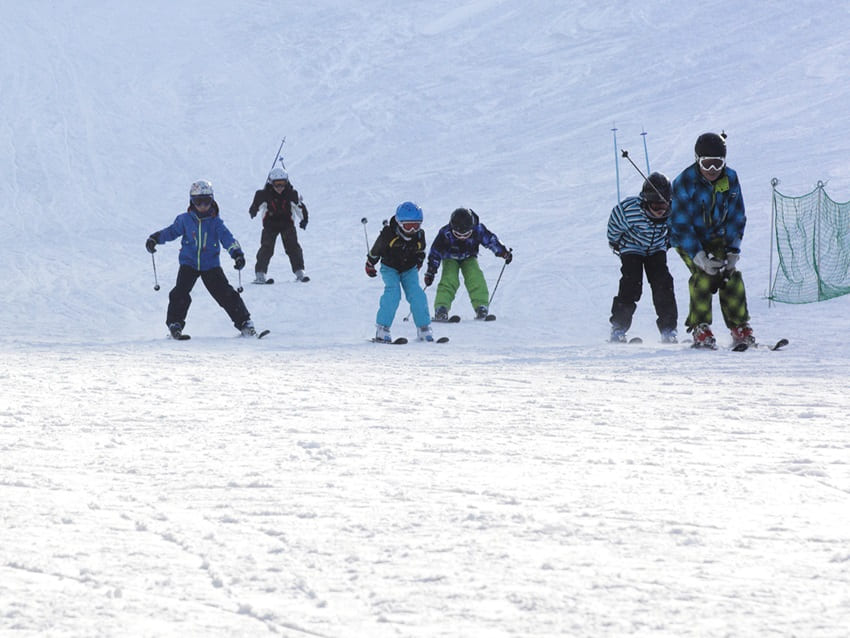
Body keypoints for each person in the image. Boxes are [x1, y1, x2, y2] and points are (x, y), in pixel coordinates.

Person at [669, 132, 754, 348]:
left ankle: (739, 327)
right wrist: (699, 256)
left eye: (718, 164)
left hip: (718, 237)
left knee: (729, 275)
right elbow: (680, 225)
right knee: (704, 275)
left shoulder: (731, 178)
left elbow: (736, 216)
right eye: (707, 164)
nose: (712, 170)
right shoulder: (684, 182)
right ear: (697, 160)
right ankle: (700, 327)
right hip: (689, 239)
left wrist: (733, 251)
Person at [145, 179, 256, 339]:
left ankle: (244, 322)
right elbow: (171, 232)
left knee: (225, 293)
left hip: (210, 265)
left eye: (207, 201)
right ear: (192, 201)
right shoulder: (184, 220)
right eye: (198, 202)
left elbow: (227, 239)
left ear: (212, 201)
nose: (203, 206)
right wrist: (155, 238)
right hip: (188, 263)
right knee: (180, 293)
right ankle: (175, 324)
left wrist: (237, 254)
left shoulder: (216, 222)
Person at [607, 172, 678, 343]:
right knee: (631, 284)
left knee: (663, 284)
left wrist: (667, 243)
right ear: (645, 202)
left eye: (664, 206)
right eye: (655, 207)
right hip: (632, 247)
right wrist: (617, 244)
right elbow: (614, 227)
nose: (661, 212)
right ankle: (618, 328)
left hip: (656, 249)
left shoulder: (674, 211)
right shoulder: (629, 210)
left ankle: (669, 330)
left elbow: (678, 230)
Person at [423, 208, 512, 321]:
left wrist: (503, 252)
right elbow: (435, 253)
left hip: (469, 257)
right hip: (450, 257)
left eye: (466, 234)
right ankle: (441, 308)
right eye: (458, 234)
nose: (462, 237)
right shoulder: (445, 233)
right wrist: (431, 271)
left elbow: (490, 240)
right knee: (449, 279)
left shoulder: (478, 229)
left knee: (475, 277)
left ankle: (481, 307)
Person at [365, 202, 434, 342]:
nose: (413, 230)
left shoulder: (420, 235)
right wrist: (370, 263)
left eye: (417, 225)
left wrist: (419, 261)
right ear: (399, 223)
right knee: (393, 294)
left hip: (409, 268)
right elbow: (376, 250)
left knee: (417, 294)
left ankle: (424, 328)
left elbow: (421, 250)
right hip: (390, 268)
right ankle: (382, 328)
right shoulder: (388, 234)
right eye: (409, 226)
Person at [248, 167, 310, 283]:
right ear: (271, 183)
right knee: (266, 248)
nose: (280, 188)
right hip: (270, 225)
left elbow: (300, 207)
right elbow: (256, 205)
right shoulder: (265, 194)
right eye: (277, 184)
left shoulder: (291, 194)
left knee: (293, 247)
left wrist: (304, 220)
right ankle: (260, 273)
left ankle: (299, 271)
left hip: (287, 224)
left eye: (282, 184)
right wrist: (253, 210)